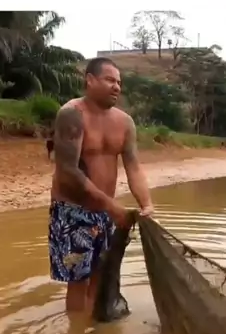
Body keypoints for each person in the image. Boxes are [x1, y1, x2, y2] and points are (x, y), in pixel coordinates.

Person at [48, 56, 154, 315]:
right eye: (109, 80)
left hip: (106, 213)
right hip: (73, 210)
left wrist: (147, 204)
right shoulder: (72, 115)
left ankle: (91, 329)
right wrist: (112, 207)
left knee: (100, 274)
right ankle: (75, 330)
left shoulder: (125, 122)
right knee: (78, 281)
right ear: (90, 80)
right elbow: (68, 171)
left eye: (119, 82)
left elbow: (133, 167)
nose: (116, 86)